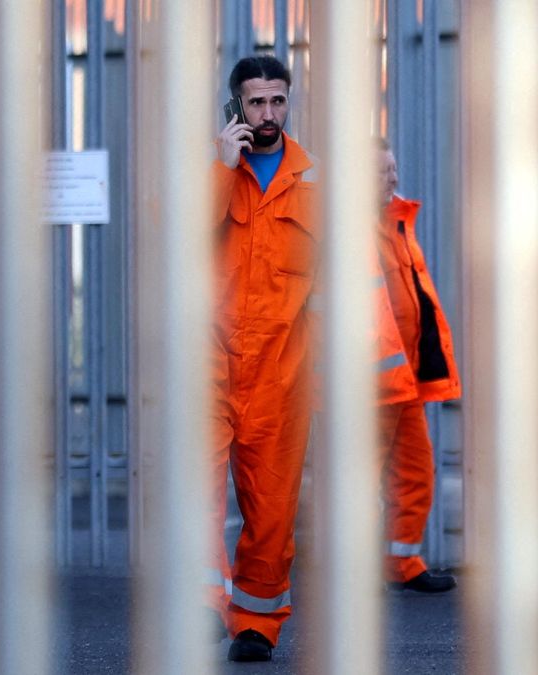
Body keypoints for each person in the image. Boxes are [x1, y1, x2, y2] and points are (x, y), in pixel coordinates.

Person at [208, 55, 316, 662]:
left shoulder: (316, 180)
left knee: (272, 506)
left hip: (280, 367)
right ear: (236, 107)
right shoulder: (210, 171)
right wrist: (222, 170)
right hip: (209, 360)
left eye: (277, 102)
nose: (267, 114)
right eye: (256, 103)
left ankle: (256, 623)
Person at [374, 138, 460, 593]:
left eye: (393, 168)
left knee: (416, 470)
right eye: (381, 171)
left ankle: (402, 560)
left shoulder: (400, 221)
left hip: (402, 377)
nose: (392, 177)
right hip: (369, 382)